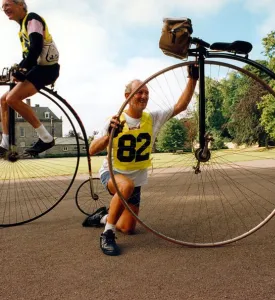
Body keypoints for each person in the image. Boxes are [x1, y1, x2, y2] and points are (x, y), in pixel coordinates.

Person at [83, 65, 199, 256]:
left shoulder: (153, 118)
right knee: (125, 186)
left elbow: (181, 106)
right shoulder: (115, 120)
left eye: (146, 93)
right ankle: (107, 235)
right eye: (139, 92)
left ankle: (103, 217)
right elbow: (92, 150)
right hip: (112, 175)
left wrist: (192, 79)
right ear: (127, 95)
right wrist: (109, 136)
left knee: (128, 227)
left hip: (135, 181)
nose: (143, 96)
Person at [0, 0, 60, 157]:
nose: (4, 8)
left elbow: (36, 47)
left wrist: (22, 70)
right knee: (4, 100)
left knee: (12, 99)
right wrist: (18, 71)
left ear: (20, 5)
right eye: (2, 6)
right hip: (38, 69)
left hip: (46, 70)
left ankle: (46, 138)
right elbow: (29, 54)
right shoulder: (22, 29)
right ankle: (5, 143)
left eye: (7, 4)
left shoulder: (32, 19)